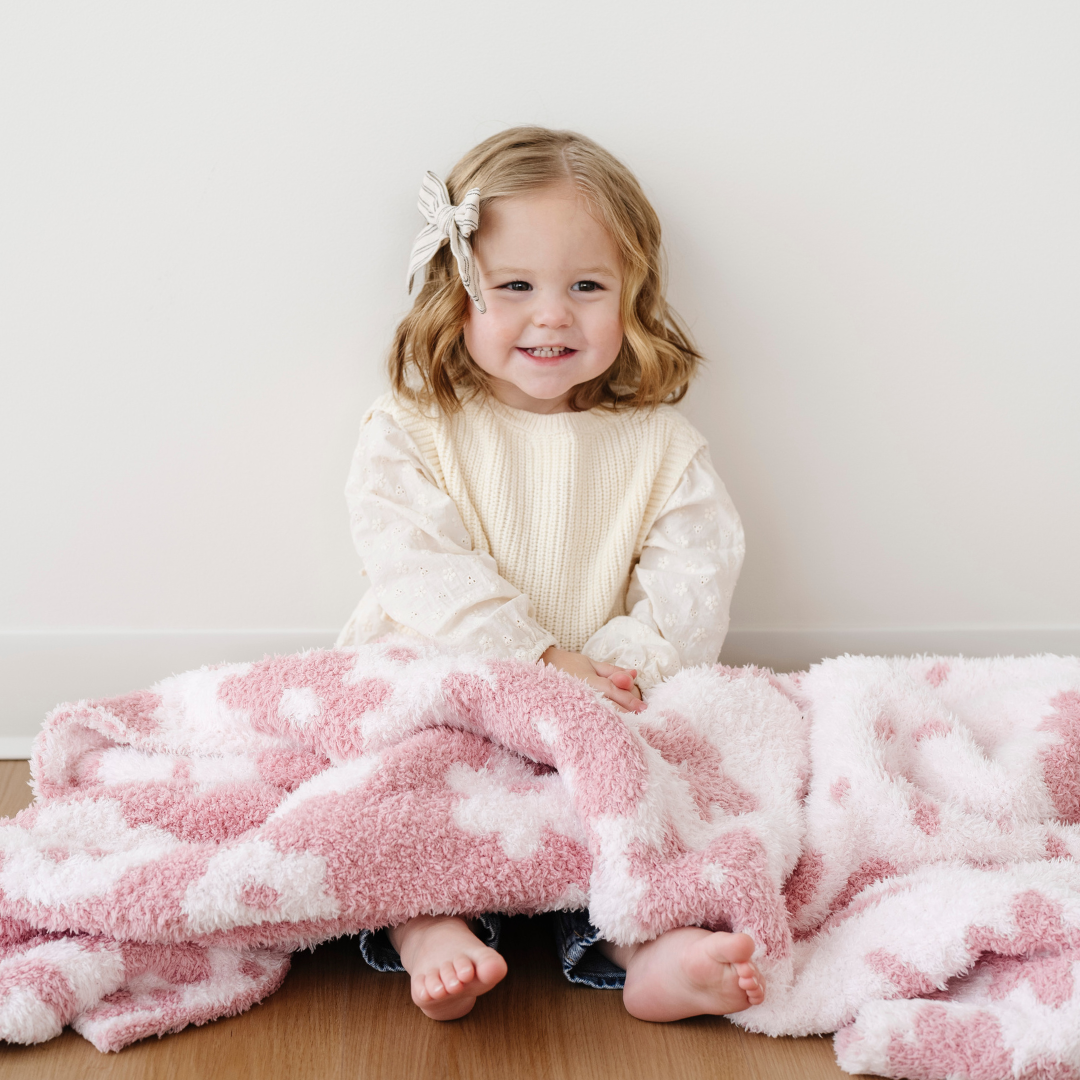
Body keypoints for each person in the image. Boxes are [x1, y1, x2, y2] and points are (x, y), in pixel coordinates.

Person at [338, 127, 761, 1022]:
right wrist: (534, 662)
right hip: (446, 693)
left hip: (602, 699)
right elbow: (418, 567)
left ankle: (640, 945)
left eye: (587, 287)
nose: (553, 315)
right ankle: (435, 929)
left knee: (641, 795)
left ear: (632, 295)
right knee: (400, 798)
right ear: (459, 294)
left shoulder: (659, 445)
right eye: (516, 287)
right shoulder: (412, 427)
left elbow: (694, 579)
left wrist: (610, 675)